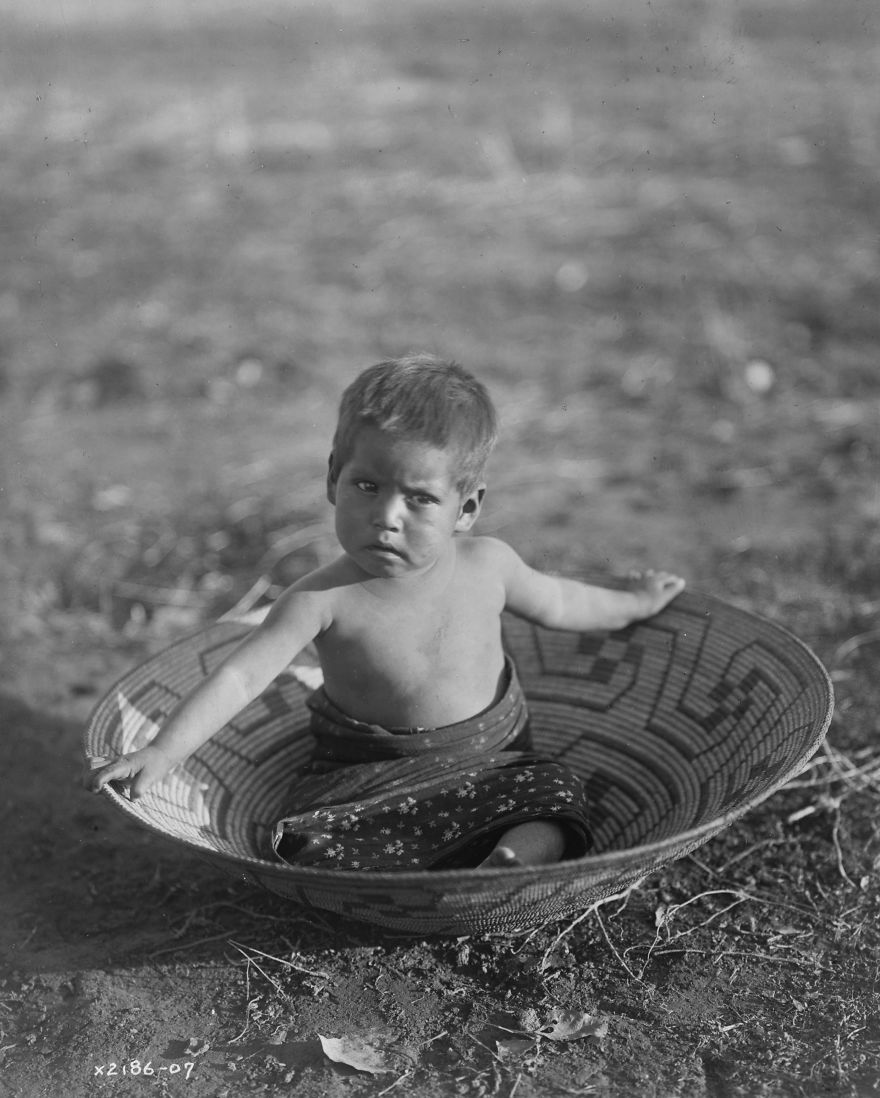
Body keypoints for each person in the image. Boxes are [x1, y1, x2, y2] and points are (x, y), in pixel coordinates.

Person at [89, 355, 684, 870]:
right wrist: (164, 752)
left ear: (466, 508)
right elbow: (240, 676)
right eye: (367, 487)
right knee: (308, 835)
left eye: (421, 498)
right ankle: (431, 869)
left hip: (493, 772)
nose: (388, 516)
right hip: (369, 786)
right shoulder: (319, 600)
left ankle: (505, 866)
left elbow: (562, 602)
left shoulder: (489, 565)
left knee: (553, 793)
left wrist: (633, 602)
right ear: (332, 479)